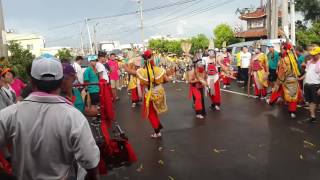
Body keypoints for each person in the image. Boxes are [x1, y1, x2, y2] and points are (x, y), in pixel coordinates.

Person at [0, 58, 100, 180]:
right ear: (60, 81)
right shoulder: (73, 116)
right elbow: (90, 161)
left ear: (31, 81)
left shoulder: (9, 114)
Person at [128, 50, 170, 138]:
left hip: (149, 93)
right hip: (159, 91)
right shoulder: (159, 70)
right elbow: (167, 80)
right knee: (154, 111)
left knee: (150, 112)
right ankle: (158, 126)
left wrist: (125, 66)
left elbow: (131, 72)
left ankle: (157, 132)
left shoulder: (141, 71)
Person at [268, 42, 302, 119]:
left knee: (277, 89)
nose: (281, 50)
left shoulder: (284, 59)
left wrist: (279, 80)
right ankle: (292, 111)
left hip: (285, 79)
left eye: (282, 49)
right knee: (293, 95)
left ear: (285, 50)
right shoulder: (293, 57)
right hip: (294, 79)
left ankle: (272, 101)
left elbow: (282, 71)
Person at [299, 47, 320, 123]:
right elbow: (307, 72)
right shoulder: (309, 62)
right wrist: (301, 78)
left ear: (319, 54)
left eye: (314, 55)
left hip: (316, 85)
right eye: (312, 55)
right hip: (307, 84)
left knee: (315, 102)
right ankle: (312, 116)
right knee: (311, 101)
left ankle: (313, 115)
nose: (313, 56)